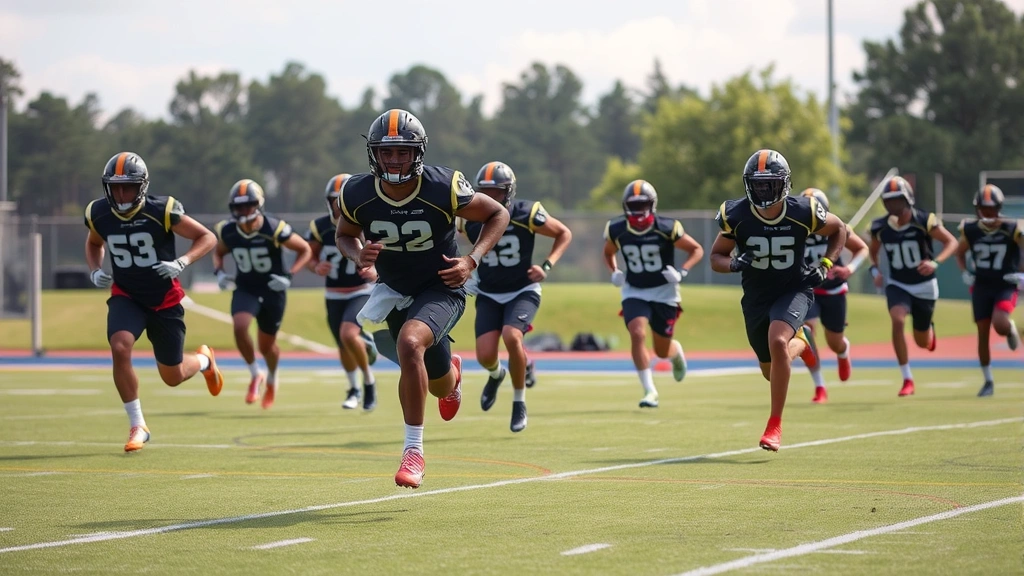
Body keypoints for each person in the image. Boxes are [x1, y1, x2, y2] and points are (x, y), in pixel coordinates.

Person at [334, 109, 509, 489]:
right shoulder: (356, 192)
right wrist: (356, 253)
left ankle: (413, 451)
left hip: (442, 285)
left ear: (418, 152)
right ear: (374, 154)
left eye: (403, 151)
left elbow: (497, 213)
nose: (394, 160)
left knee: (409, 343)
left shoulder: (443, 186)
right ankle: (453, 373)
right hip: (394, 290)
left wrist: (471, 259)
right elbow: (345, 233)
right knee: (439, 384)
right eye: (386, 152)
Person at [84, 151, 224, 452]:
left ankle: (203, 360)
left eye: (129, 187)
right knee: (120, 345)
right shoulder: (98, 212)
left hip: (164, 298)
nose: (121, 194)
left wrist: (182, 261)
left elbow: (207, 237)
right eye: (116, 187)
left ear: (142, 186)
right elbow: (94, 241)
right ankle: (138, 424)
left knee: (172, 376)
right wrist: (95, 269)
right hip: (127, 294)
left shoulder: (162, 210)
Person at [710, 149, 846, 451]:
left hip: (793, 288)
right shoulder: (736, 214)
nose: (763, 190)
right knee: (770, 370)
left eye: (769, 184)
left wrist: (825, 265)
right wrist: (733, 263)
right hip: (756, 296)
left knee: (777, 339)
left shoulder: (804, 211)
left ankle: (774, 424)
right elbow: (715, 257)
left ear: (783, 184)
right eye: (758, 184)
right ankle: (803, 341)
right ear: (748, 185)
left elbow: (840, 230)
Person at [459, 161, 573, 433]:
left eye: (495, 192)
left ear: (508, 192)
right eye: (484, 191)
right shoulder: (468, 218)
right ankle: (497, 375)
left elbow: (563, 233)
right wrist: (467, 269)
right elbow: (449, 240)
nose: (489, 198)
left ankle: (519, 401)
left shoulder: (525, 213)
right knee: (485, 356)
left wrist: (547, 265)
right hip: (488, 291)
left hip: (522, 289)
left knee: (512, 336)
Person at [603, 179, 704, 408]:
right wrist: (614, 271)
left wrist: (682, 272)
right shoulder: (617, 229)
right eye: (634, 205)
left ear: (652, 204)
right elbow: (608, 252)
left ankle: (675, 352)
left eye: (643, 205)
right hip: (635, 290)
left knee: (661, 349)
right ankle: (649, 390)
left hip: (664, 292)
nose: (638, 211)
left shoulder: (667, 227)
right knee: (637, 332)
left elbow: (696, 249)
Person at [212, 179, 312, 409]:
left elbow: (304, 250)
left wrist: (289, 275)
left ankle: (272, 378)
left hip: (272, 290)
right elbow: (218, 252)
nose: (244, 210)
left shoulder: (273, 228)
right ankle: (255, 373)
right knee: (240, 326)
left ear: (258, 205)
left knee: (267, 346)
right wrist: (219, 272)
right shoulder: (227, 230)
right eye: (239, 206)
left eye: (248, 205)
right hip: (246, 287)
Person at [868, 176, 958, 397]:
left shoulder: (923, 220)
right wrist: (875, 270)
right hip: (898, 283)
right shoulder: (880, 227)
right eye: (888, 201)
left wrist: (935, 262)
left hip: (924, 286)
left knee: (923, 342)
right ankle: (907, 378)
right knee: (897, 320)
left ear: (907, 198)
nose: (892, 205)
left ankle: (929, 330)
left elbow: (951, 242)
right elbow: (873, 250)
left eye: (897, 200)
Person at [306, 173, 380, 410]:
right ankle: (354, 388)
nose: (338, 206)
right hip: (334, 293)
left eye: (343, 201)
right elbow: (309, 255)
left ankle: (369, 382)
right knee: (343, 344)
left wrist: (376, 271)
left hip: (360, 290)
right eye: (334, 201)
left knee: (348, 334)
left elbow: (389, 253)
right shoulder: (320, 227)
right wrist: (316, 266)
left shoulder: (369, 223)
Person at [799, 188, 870, 403]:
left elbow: (862, 249)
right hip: (806, 289)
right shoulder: (793, 229)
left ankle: (843, 350)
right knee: (808, 331)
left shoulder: (836, 227)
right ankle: (819, 385)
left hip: (833, 289)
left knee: (834, 341)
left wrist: (850, 268)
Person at [954, 184, 1022, 397]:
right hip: (982, 284)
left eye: (991, 209)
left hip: (1005, 283)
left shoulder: (1011, 228)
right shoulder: (971, 229)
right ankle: (988, 380)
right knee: (982, 333)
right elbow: (959, 252)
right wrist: (965, 271)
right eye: (983, 208)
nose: (987, 213)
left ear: (999, 208)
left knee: (999, 324)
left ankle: (1010, 329)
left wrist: (1021, 273)